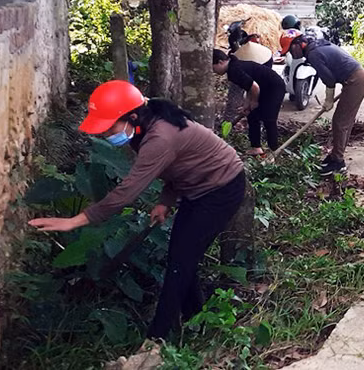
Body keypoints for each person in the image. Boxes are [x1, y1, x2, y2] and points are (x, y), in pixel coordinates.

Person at [28, 81, 246, 341]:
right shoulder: (144, 125)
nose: (106, 133)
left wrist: (76, 220)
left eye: (110, 127)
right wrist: (166, 200)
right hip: (195, 187)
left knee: (180, 262)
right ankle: (197, 319)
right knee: (181, 258)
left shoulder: (159, 137)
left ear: (131, 116)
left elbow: (128, 191)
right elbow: (178, 164)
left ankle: (157, 339)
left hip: (221, 188)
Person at [282, 32, 364, 175]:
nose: (291, 54)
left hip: (356, 81)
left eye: (291, 50)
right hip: (355, 78)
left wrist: (329, 99)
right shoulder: (316, 47)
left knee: (340, 122)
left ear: (298, 45)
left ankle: (338, 162)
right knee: (343, 122)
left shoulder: (313, 54)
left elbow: (329, 79)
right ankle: (336, 155)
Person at [212, 49, 286, 155]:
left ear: (220, 62)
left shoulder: (234, 71)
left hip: (274, 87)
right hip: (263, 87)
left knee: (269, 119)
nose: (215, 72)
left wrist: (254, 102)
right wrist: (247, 105)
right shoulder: (234, 66)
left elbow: (254, 87)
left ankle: (274, 150)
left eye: (214, 69)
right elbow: (249, 87)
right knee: (252, 115)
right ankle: (256, 147)